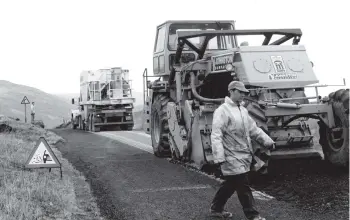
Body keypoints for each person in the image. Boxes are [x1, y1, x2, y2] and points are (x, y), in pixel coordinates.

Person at [209, 81, 275, 220]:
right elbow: (216, 135)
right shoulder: (222, 111)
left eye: (244, 93)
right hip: (230, 155)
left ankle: (216, 209)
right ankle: (253, 215)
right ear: (231, 91)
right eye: (240, 92)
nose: (243, 96)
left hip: (244, 154)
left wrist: (267, 141)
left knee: (231, 184)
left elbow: (254, 130)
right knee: (243, 185)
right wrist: (219, 157)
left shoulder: (243, 110)